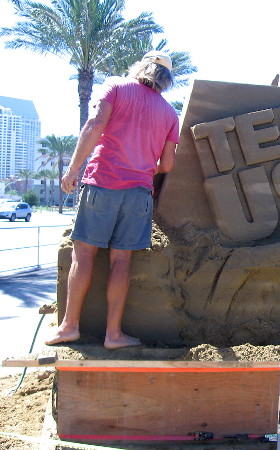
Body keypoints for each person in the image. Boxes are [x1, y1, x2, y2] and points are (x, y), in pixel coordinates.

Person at [45, 51, 180, 349]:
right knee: (122, 261)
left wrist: (72, 170)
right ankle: (114, 335)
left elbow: (95, 124)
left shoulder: (116, 87)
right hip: (139, 194)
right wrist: (144, 165)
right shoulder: (170, 114)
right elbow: (168, 164)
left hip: (103, 185)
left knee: (83, 256)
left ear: (140, 68)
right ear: (167, 80)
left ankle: (69, 327)